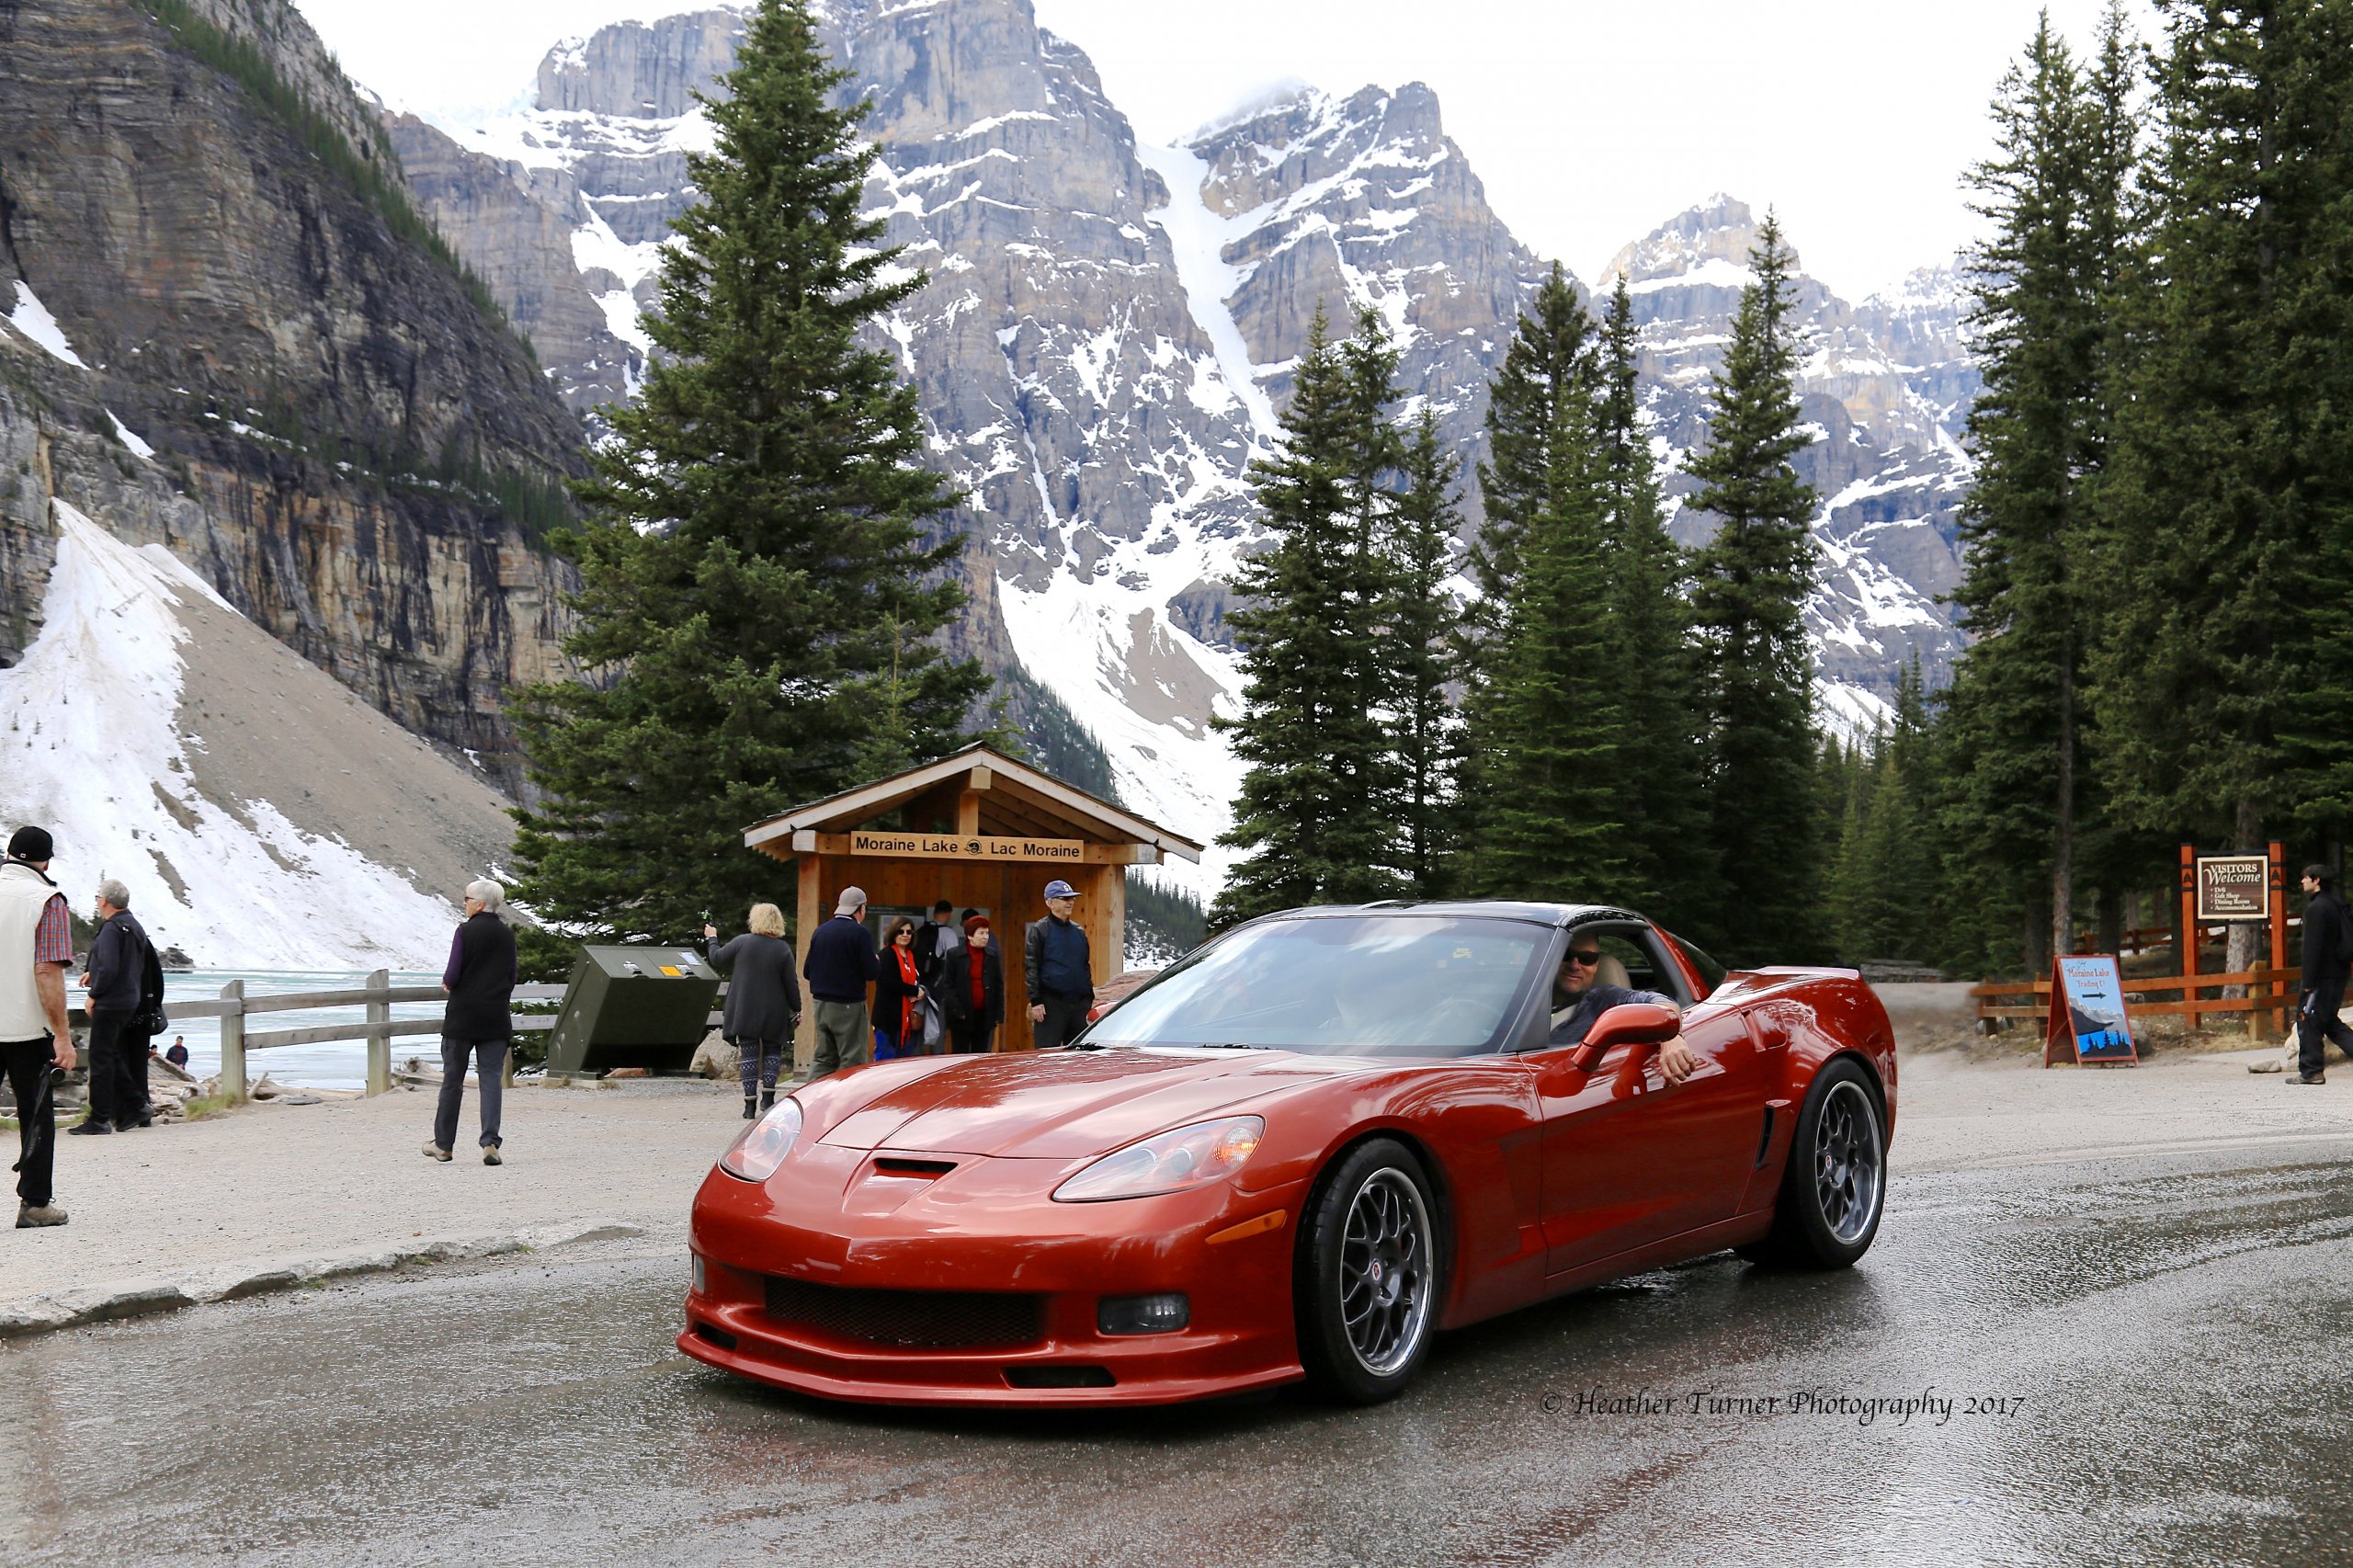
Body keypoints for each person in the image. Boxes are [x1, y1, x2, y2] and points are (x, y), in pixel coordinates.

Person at [1, 826, 74, 1227]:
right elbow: (46, 970)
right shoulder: (48, 900)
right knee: (36, 1114)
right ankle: (35, 1204)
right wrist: (62, 1035)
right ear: (45, 861)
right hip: (26, 1030)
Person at [426, 879, 517, 1165]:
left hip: (463, 1017)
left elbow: (453, 972)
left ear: (478, 904)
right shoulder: (507, 934)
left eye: (466, 899)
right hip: (495, 1016)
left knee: (452, 1081)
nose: (463, 903)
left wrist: (447, 983)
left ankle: (444, 1145)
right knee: (491, 1078)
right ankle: (490, 1142)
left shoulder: (465, 931)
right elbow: (512, 977)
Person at [1547, 935, 1699, 1085]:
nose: (1574, 965)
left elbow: (1662, 1003)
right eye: (1567, 955)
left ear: (1596, 966)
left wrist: (1671, 1037)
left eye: (1587, 958)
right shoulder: (1527, 994)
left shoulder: (1603, 998)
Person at [73, 878, 157, 1134]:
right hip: (130, 999)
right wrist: (94, 972)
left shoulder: (111, 929)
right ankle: (137, 1105)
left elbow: (109, 967)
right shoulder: (134, 925)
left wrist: (94, 994)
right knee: (111, 1054)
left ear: (105, 901)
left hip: (111, 1002)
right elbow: (128, 964)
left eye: (98, 897)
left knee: (100, 1058)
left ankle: (100, 1118)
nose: (97, 902)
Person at [704, 903, 802, 1119]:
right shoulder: (782, 948)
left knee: (748, 1055)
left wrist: (712, 937)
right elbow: (790, 983)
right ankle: (768, 1099)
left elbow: (717, 958)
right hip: (774, 1008)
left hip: (745, 1008)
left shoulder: (742, 942)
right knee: (772, 1053)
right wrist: (797, 1008)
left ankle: (749, 1106)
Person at [801, 886, 881, 1079]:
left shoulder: (821, 931)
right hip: (848, 1006)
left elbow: (807, 971)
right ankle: (848, 1104)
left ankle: (810, 1099)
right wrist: (876, 961)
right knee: (852, 1059)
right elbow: (871, 973)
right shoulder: (860, 934)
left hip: (820, 1004)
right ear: (861, 908)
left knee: (824, 1058)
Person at [2290, 864, 2353, 1085]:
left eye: (2305, 878)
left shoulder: (2317, 909)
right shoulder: (2337, 904)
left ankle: (2311, 1070)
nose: (2302, 882)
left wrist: (2307, 982)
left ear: (2316, 880)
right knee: (2328, 1021)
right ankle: (2311, 1070)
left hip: (2321, 977)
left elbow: (2313, 948)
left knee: (2307, 1018)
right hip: (2338, 972)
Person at [1026, 879, 1096, 1050]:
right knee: (1047, 1055)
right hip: (1052, 1004)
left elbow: (1084, 965)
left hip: (1079, 1005)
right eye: (1064, 898)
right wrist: (1036, 1001)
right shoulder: (1040, 930)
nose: (1070, 902)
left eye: (1072, 898)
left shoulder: (1078, 931)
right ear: (1050, 902)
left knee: (1079, 1055)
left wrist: (1088, 997)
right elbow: (1031, 967)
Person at [944, 915, 1006, 1054]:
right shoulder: (954, 955)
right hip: (962, 1014)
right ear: (970, 936)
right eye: (981, 933)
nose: (985, 937)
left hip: (985, 1014)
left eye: (987, 933)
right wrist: (958, 1010)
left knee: (981, 1054)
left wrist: (998, 1013)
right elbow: (948, 985)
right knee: (960, 1055)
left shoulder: (992, 955)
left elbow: (998, 984)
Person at [874, 919, 926, 1060]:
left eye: (909, 932)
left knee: (904, 1064)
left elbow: (917, 979)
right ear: (893, 933)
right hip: (888, 1019)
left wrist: (920, 990)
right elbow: (887, 982)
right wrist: (914, 991)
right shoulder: (886, 954)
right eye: (901, 931)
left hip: (908, 1019)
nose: (905, 935)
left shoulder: (911, 955)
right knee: (885, 1063)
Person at [912, 899, 963, 982]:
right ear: (949, 914)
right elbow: (953, 960)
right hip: (938, 982)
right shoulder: (949, 933)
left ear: (934, 913)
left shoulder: (921, 929)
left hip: (919, 978)